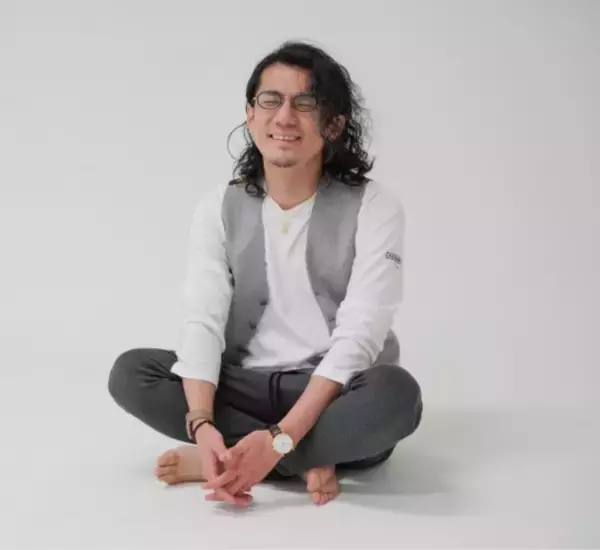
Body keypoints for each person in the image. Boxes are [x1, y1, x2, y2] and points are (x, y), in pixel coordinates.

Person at [108, 40, 423, 507]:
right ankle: (307, 457)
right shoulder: (219, 206)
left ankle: (241, 459)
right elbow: (203, 318)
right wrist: (202, 423)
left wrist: (283, 435)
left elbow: (362, 331)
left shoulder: (375, 206)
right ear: (250, 114)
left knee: (396, 397)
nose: (284, 117)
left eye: (305, 103)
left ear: (334, 124)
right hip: (243, 385)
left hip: (332, 391)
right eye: (271, 100)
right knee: (133, 372)